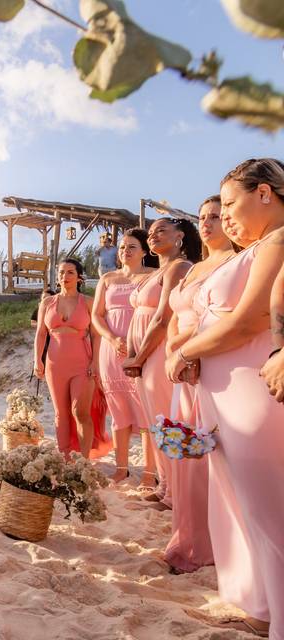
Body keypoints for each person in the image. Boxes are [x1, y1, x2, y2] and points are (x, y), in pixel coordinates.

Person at [166, 159, 284, 639]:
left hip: (251, 395)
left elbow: (251, 321)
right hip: (225, 395)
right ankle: (260, 607)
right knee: (243, 507)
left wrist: (185, 351)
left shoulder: (277, 242)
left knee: (267, 512)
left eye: (231, 204)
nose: (226, 215)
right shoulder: (258, 246)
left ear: (264, 193)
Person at [160, 196, 235, 574]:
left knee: (210, 459)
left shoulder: (233, 262)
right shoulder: (194, 267)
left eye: (217, 217)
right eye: (203, 217)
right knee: (185, 455)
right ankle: (187, 537)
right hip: (181, 367)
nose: (207, 223)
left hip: (207, 365)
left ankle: (206, 546)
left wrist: (187, 351)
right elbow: (176, 313)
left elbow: (216, 318)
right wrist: (174, 347)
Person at [122, 217, 201, 506]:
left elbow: (162, 318)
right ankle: (166, 485)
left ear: (180, 236)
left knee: (166, 421)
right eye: (151, 232)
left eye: (161, 231)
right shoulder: (158, 271)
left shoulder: (180, 267)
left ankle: (175, 493)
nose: (153, 235)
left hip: (158, 351)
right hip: (144, 355)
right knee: (154, 422)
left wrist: (139, 357)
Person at [91, 229, 156, 483]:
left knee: (145, 412)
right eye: (121, 247)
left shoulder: (154, 276)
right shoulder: (107, 279)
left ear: (143, 251)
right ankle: (121, 469)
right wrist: (112, 338)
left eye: (131, 247)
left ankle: (150, 473)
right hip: (111, 348)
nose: (125, 252)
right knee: (118, 411)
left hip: (141, 348)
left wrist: (137, 343)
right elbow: (97, 315)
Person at [34, 258, 110, 458]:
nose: (64, 277)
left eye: (70, 272)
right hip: (54, 363)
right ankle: (65, 457)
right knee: (60, 413)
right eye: (61, 272)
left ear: (79, 277)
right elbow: (41, 333)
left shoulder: (88, 302)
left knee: (80, 412)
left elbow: (96, 334)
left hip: (82, 363)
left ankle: (83, 459)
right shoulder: (47, 302)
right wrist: (37, 360)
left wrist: (95, 362)